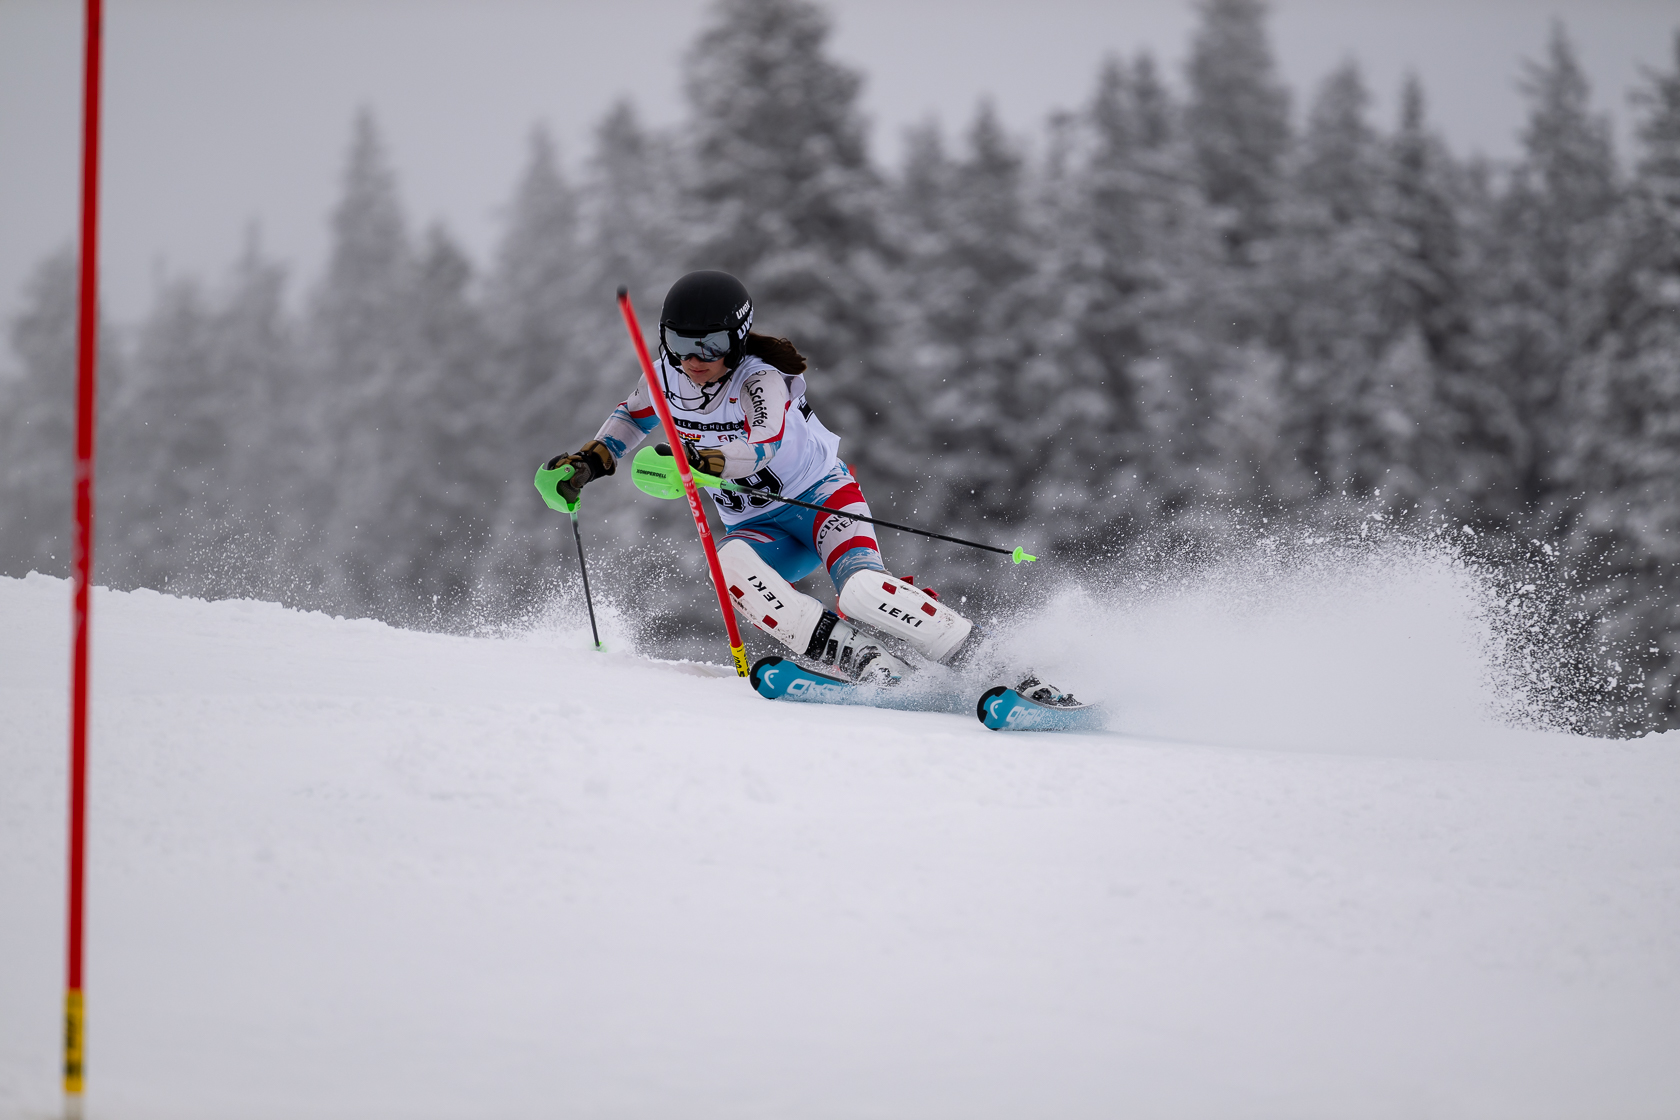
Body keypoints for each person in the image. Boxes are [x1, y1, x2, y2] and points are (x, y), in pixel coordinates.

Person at [546, 270, 1065, 699]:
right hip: (756, 522)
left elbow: (763, 445)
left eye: (710, 344)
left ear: (737, 339)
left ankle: (1000, 665)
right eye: (681, 343)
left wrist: (701, 461)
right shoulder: (664, 377)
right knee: (730, 565)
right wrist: (589, 463)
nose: (693, 359)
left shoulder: (759, 380)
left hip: (821, 502)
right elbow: (630, 418)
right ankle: (862, 660)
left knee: (862, 590)